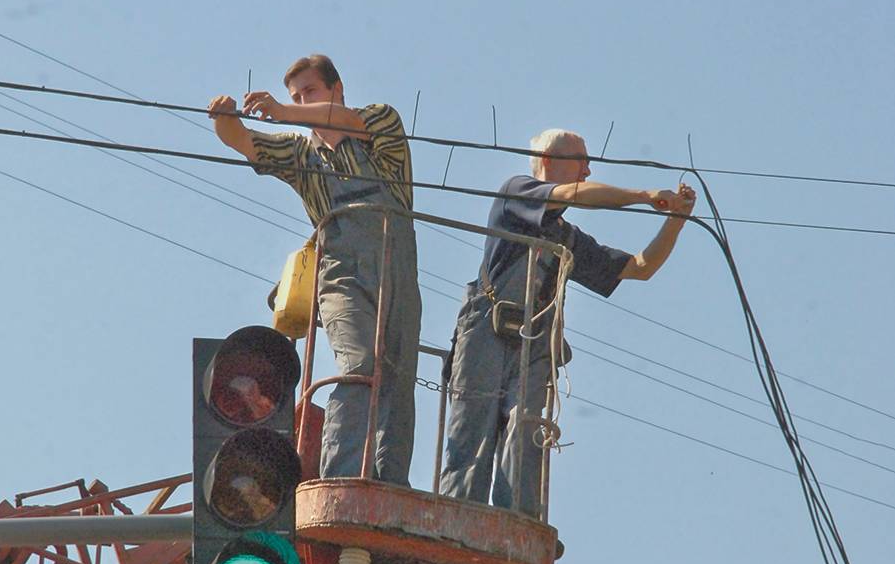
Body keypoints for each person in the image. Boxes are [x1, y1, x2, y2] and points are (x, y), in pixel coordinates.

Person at [439, 128, 695, 517]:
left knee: (526, 433)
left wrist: (676, 220)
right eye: (581, 160)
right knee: (471, 433)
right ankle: (454, 521)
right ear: (548, 161)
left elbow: (640, 269)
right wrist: (642, 196)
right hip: (486, 332)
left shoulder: (567, 238)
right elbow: (573, 194)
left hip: (534, 343)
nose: (588, 170)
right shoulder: (518, 191)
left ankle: (516, 525)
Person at [207, 54, 421, 486]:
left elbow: (343, 122)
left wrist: (284, 111)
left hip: (398, 271)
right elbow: (242, 140)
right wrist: (223, 116)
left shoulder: (379, 122)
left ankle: (390, 484)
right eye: (295, 96)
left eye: (311, 92)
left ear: (337, 90)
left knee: (398, 382)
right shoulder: (300, 153)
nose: (302, 101)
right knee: (358, 364)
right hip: (341, 273)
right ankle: (342, 477)